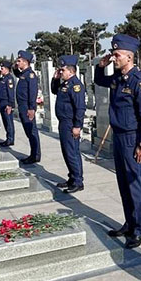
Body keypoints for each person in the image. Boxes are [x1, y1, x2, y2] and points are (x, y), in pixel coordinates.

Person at [94, 35, 141, 249]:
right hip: (119, 136)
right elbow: (100, 81)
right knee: (123, 184)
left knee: (134, 184)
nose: (113, 57)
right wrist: (100, 67)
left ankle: (139, 230)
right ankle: (129, 223)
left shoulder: (139, 81)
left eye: (117, 55)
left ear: (129, 57)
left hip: (132, 138)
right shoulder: (118, 78)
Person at [52, 55, 86, 193]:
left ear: (71, 71)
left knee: (71, 152)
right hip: (63, 122)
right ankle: (72, 177)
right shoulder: (65, 84)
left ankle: (78, 181)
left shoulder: (76, 85)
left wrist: (77, 126)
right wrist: (55, 78)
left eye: (62, 70)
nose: (61, 73)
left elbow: (80, 107)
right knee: (68, 152)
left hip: (70, 123)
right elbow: (54, 90)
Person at [14, 50, 41, 165]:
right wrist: (15, 67)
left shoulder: (30, 75)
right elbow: (17, 73)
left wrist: (31, 108)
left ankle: (35, 155)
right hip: (22, 106)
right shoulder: (24, 74)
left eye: (19, 61)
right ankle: (34, 153)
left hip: (27, 107)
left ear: (25, 62)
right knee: (28, 132)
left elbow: (32, 93)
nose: (17, 62)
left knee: (32, 131)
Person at [0, 60, 16, 147]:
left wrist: (10, 105)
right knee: (5, 121)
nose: (1, 69)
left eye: (2, 68)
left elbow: (10, 93)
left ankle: (10, 139)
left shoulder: (9, 78)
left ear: (7, 69)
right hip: (2, 102)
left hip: (7, 102)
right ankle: (8, 138)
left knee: (9, 122)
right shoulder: (3, 77)